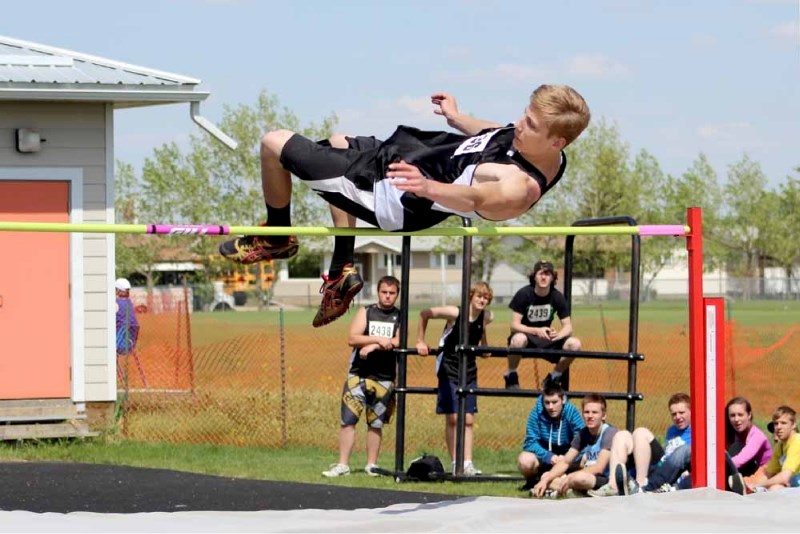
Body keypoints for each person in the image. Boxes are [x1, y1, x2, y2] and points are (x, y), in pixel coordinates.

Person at [218, 86, 591, 328]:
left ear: (557, 140)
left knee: (274, 143)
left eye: (532, 124)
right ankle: (341, 271)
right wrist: (456, 117)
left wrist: (427, 187)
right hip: (406, 158)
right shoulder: (539, 146)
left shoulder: (517, 188)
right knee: (336, 141)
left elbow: (473, 200)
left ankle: (277, 237)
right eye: (525, 115)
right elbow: (496, 133)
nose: (520, 125)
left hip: (393, 192)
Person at [322, 276, 402, 478]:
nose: (388, 296)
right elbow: (353, 338)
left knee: (375, 423)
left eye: (392, 293)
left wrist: (375, 345)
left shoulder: (400, 316)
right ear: (378, 292)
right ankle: (342, 465)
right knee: (348, 420)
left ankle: (371, 465)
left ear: (397, 295)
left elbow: (398, 340)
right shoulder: (366, 312)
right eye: (384, 292)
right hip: (358, 375)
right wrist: (377, 339)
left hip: (384, 378)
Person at [416, 281, 495, 476]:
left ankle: (467, 462)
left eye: (486, 298)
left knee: (468, 418)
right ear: (471, 296)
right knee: (453, 417)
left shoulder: (487, 316)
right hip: (449, 366)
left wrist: (484, 346)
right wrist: (420, 341)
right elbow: (425, 313)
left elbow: (481, 331)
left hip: (468, 368)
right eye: (479, 296)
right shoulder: (455, 313)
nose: (482, 300)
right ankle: (455, 462)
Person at [591, 392, 692, 496]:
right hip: (658, 466)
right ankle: (613, 486)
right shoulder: (672, 430)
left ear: (691, 411)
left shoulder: (698, 430)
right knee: (627, 434)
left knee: (683, 450)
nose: (677, 417)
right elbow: (666, 453)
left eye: (681, 412)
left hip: (671, 471)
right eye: (674, 414)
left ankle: (639, 487)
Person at [504, 260, 581, 390]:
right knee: (518, 339)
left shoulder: (557, 296)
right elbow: (514, 325)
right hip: (526, 337)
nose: (544, 277)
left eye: (548, 274)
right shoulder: (524, 294)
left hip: (546, 338)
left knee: (575, 344)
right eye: (540, 273)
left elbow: (568, 326)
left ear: (553, 277)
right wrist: (535, 330)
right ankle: (510, 374)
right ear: (534, 276)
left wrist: (557, 336)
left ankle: (553, 377)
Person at [531, 394, 618, 498]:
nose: (590, 416)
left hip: (605, 480)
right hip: (587, 476)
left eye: (594, 412)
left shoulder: (609, 432)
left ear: (603, 415)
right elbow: (565, 462)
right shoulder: (583, 434)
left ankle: (570, 491)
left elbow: (599, 468)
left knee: (578, 478)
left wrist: (570, 477)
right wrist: (545, 480)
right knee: (546, 476)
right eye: (586, 412)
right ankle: (575, 492)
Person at [517, 384, 585, 489]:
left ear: (563, 400)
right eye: (547, 403)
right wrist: (549, 456)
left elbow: (582, 441)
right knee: (524, 460)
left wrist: (567, 457)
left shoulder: (572, 412)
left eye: (554, 402)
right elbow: (530, 443)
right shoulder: (536, 413)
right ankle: (532, 482)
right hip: (545, 457)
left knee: (586, 458)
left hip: (567, 457)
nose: (551, 407)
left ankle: (572, 480)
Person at [742, 405, 800, 492]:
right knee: (769, 488)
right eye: (776, 423)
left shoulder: (797, 441)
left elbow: (784, 477)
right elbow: (768, 474)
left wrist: (757, 485)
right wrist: (752, 486)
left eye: (783, 423)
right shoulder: (780, 445)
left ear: (793, 425)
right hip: (794, 485)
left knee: (774, 489)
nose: (778, 427)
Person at [723, 396, 772, 494]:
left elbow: (740, 460)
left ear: (749, 415)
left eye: (740, 415)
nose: (736, 419)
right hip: (745, 470)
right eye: (732, 415)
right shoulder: (736, 433)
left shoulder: (758, 436)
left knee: (736, 448)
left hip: (764, 474)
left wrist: (716, 468)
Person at [115, 278, 142, 385]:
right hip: (130, 342)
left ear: (117, 290)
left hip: (119, 342)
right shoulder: (129, 303)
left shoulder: (115, 304)